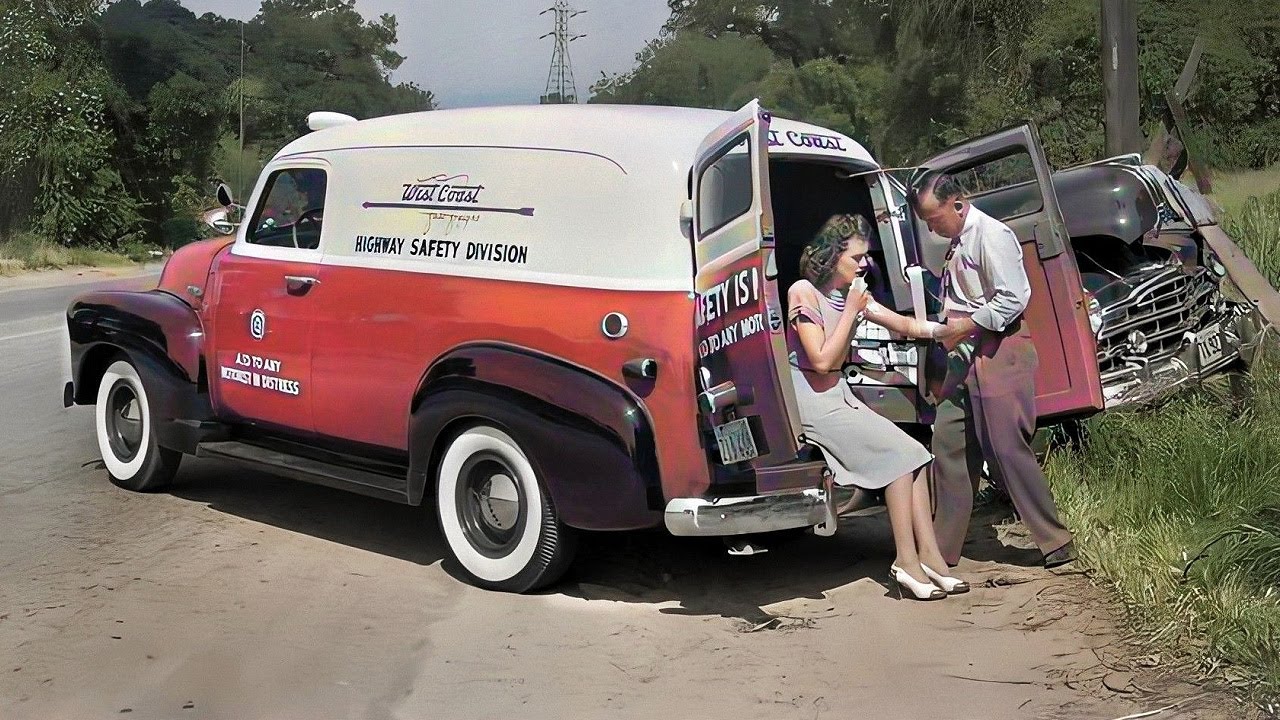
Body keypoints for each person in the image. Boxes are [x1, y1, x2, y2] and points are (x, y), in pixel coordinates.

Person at [787, 213, 968, 601]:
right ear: (833, 257)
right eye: (856, 257)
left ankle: (931, 558)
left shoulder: (853, 295)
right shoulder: (803, 291)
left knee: (916, 455)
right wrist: (853, 308)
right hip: (813, 401)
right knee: (898, 458)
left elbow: (904, 326)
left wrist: (950, 328)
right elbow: (820, 360)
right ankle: (905, 560)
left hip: (839, 395)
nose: (864, 264)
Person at [907, 172, 1077, 569]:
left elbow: (1014, 298)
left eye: (935, 219)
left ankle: (1054, 539)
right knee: (948, 441)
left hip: (1000, 348)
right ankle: (941, 548)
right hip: (964, 354)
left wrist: (965, 325)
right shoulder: (955, 242)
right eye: (927, 221)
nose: (932, 228)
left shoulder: (992, 236)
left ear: (958, 204)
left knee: (1004, 447)